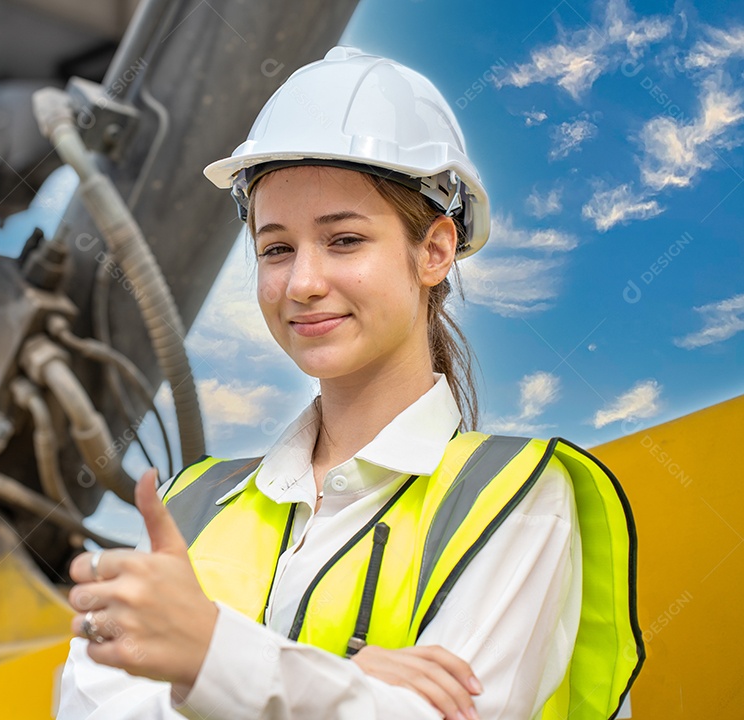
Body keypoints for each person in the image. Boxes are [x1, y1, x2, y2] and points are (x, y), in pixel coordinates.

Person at [56, 46, 643, 720]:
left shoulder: (518, 498)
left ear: (434, 250)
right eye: (275, 248)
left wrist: (210, 659)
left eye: (344, 241)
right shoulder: (191, 505)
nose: (302, 283)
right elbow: (89, 704)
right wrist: (344, 676)